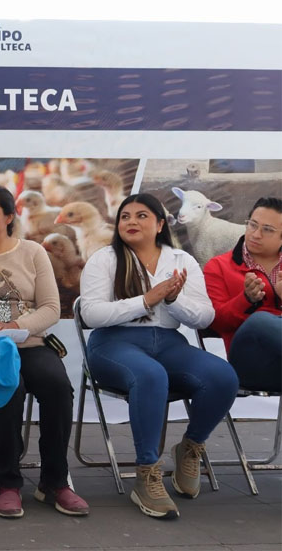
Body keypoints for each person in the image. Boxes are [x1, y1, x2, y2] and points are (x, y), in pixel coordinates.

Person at [80, 192, 238, 519]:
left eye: (141, 216)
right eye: (125, 216)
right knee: (151, 375)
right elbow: (92, 315)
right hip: (112, 344)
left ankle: (191, 448)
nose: (131, 222)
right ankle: (147, 475)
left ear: (160, 224)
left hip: (169, 343)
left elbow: (204, 317)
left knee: (223, 376)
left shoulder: (181, 260)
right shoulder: (105, 258)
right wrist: (146, 300)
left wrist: (172, 300)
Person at [0, 184, 89, 519]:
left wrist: (17, 327)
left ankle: (54, 481)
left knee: (57, 387)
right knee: (9, 386)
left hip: (29, 344)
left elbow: (51, 308)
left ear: (9, 216)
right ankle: (8, 483)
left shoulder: (34, 253)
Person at [204, 197, 282, 392]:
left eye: (267, 230)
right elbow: (216, 321)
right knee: (261, 320)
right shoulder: (218, 266)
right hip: (250, 362)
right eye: (252, 225)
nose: (256, 234)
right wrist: (246, 300)